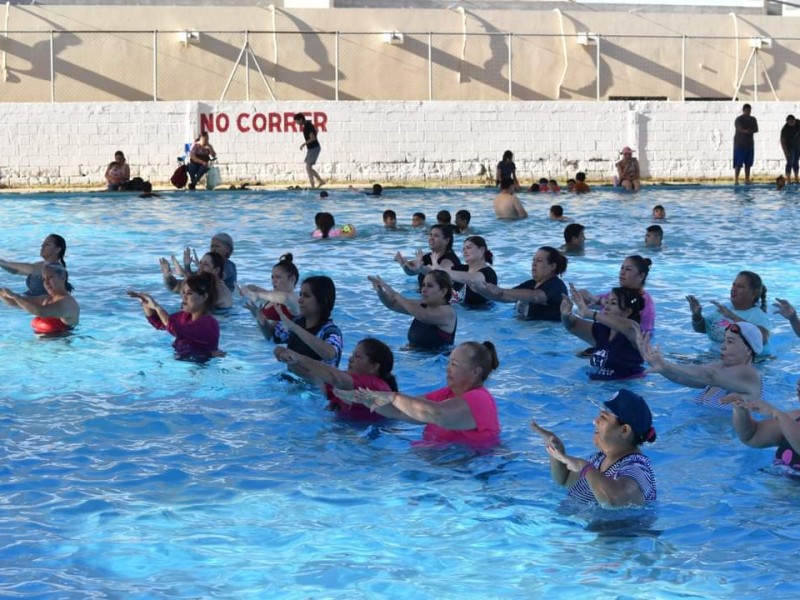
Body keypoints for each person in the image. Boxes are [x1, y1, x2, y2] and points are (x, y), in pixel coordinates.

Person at [339, 341, 501, 448]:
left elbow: (436, 414)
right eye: (449, 362)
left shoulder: (480, 399)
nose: (448, 368)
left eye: (455, 364)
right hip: (442, 468)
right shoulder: (447, 394)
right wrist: (367, 399)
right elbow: (403, 411)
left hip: (474, 471)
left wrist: (393, 396)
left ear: (475, 372)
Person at [531, 389, 657, 507]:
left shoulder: (638, 469)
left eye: (603, 418)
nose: (595, 421)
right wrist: (556, 450)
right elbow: (564, 481)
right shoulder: (599, 459)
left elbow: (613, 500)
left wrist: (584, 466)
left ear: (624, 430)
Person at [637, 321, 763, 410]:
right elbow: (682, 378)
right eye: (724, 340)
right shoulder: (719, 368)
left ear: (748, 349)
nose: (723, 346)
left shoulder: (751, 376)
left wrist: (666, 364)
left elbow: (709, 376)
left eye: (730, 342)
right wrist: (662, 368)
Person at [274, 337, 398, 421]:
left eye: (358, 356)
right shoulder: (347, 383)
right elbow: (314, 377)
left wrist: (298, 357)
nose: (350, 359)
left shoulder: (376, 387)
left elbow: (335, 377)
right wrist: (290, 360)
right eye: (352, 354)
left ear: (373, 367)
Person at [128, 272, 220, 360]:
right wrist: (146, 304)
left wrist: (156, 306)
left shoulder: (209, 323)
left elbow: (174, 328)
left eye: (189, 293)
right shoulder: (185, 316)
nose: (184, 297)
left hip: (199, 368)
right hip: (183, 361)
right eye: (183, 292)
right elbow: (159, 323)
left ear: (203, 297)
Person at [562, 284, 645, 380]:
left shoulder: (634, 334)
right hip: (599, 387)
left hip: (625, 389)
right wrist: (566, 314)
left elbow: (631, 326)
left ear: (627, 312)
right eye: (607, 302)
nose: (606, 307)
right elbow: (573, 325)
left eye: (613, 303)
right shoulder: (602, 331)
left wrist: (589, 313)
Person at [269, 276, 343, 376]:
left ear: (323, 301)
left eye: (306, 296)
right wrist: (258, 316)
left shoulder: (330, 332)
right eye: (300, 295)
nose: (300, 300)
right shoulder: (298, 322)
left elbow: (330, 354)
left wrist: (294, 328)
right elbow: (274, 338)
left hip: (314, 390)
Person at [722, 379, 800, 474]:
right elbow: (752, 437)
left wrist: (775, 413)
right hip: (775, 482)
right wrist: (741, 408)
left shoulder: (785, 419)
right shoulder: (793, 418)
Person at [471, 246, 567, 322]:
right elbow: (503, 297)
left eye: (539, 261)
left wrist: (502, 290)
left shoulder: (556, 285)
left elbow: (535, 296)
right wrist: (480, 289)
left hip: (546, 334)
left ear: (552, 266)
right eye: (533, 260)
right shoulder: (531, 284)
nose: (534, 264)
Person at [369, 271, 457, 351]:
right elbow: (392, 304)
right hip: (415, 357)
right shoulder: (420, 305)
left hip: (436, 362)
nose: (423, 290)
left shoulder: (448, 313)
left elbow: (423, 316)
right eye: (423, 285)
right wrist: (380, 291)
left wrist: (394, 294)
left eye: (429, 286)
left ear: (443, 291)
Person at [687, 270, 770, 353]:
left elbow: (762, 338)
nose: (734, 289)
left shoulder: (757, 315)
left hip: (741, 362)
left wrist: (732, 317)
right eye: (733, 285)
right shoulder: (726, 308)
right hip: (715, 357)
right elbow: (702, 329)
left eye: (740, 286)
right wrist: (696, 315)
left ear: (753, 293)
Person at [577, 255, 656, 334]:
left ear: (641, 276)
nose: (622, 272)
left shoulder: (643, 302)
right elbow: (589, 302)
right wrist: (583, 298)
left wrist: (600, 301)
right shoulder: (617, 294)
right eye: (622, 268)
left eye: (628, 269)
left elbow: (644, 334)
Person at [0, 263, 79, 335]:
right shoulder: (46, 299)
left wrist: (15, 296)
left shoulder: (69, 303)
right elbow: (14, 302)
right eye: (44, 279)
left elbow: (41, 311)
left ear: (63, 277)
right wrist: (3, 293)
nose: (46, 283)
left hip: (61, 349)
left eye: (50, 277)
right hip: (42, 347)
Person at [241, 253, 300, 338]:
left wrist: (256, 295)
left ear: (292, 279)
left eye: (278, 277)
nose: (273, 281)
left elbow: (285, 298)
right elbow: (255, 289)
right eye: (272, 277)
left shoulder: (294, 299)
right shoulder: (271, 297)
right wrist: (245, 289)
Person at [395, 223, 461, 290]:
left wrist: (421, 267)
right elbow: (411, 272)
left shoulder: (449, 260)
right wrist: (402, 263)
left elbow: (438, 276)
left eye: (436, 236)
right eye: (430, 235)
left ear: (446, 240)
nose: (431, 238)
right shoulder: (427, 257)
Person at [436, 235, 497, 308]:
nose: (465, 251)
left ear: (481, 250)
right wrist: (421, 267)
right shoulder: (462, 269)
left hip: (480, 315)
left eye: (469, 248)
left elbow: (473, 279)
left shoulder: (489, 274)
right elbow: (437, 274)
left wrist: (441, 270)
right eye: (464, 249)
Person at [0, 234, 68, 296]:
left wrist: (4, 263)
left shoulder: (56, 269)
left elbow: (31, 268)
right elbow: (15, 271)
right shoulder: (41, 264)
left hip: (42, 305)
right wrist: (2, 262)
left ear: (57, 250)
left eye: (47, 244)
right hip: (30, 301)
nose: (42, 246)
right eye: (42, 244)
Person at [161, 251, 232, 310]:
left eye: (205, 264)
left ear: (216, 270)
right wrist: (167, 276)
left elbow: (199, 301)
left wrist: (184, 274)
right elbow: (174, 287)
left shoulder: (220, 290)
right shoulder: (201, 283)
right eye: (200, 263)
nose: (200, 267)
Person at [294, 113, 325, 189]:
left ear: (301, 119)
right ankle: (320, 181)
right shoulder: (308, 124)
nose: (297, 124)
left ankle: (313, 185)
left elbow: (313, 138)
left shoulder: (307, 126)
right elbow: (316, 130)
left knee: (308, 167)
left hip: (314, 148)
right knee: (308, 167)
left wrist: (303, 144)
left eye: (297, 122)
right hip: (312, 148)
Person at [733, 103, 758, 185]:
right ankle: (736, 179)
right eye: (746, 111)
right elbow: (739, 129)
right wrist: (747, 131)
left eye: (749, 111)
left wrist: (751, 131)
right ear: (743, 110)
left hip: (749, 144)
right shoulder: (739, 119)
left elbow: (756, 129)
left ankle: (747, 179)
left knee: (748, 163)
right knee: (738, 163)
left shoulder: (753, 119)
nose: (748, 112)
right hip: (740, 144)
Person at [781, 114, 800, 184]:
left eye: (793, 121)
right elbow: (782, 142)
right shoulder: (785, 129)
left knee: (796, 162)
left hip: (797, 146)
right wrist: (786, 152)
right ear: (787, 122)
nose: (791, 123)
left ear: (795, 120)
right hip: (789, 148)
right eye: (790, 122)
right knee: (790, 162)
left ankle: (796, 178)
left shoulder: (798, 123)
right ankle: (788, 179)